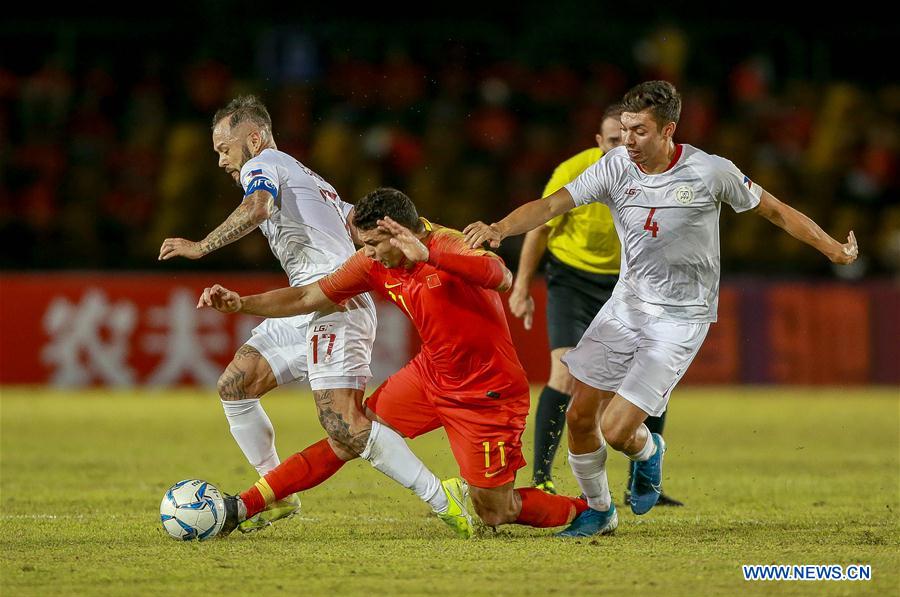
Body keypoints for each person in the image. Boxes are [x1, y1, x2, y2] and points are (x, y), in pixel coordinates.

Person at [463, 80, 858, 536]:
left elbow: (776, 211)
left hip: (679, 319)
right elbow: (553, 204)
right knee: (578, 415)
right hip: (625, 307)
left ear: (669, 130)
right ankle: (600, 511)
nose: (628, 140)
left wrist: (832, 249)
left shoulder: (710, 171)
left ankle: (649, 451)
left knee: (616, 431)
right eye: (625, 129)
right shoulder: (614, 166)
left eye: (640, 132)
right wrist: (500, 228)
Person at [198, 188, 597, 537]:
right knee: (347, 433)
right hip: (429, 378)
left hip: (487, 393)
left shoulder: (449, 244)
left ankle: (591, 510)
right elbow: (307, 298)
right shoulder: (373, 263)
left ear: (395, 231)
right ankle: (248, 504)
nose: (365, 252)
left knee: (495, 511)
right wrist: (242, 304)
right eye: (362, 244)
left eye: (372, 242)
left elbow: (500, 275)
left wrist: (431, 257)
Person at [159, 96, 472, 537]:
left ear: (253, 138)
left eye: (224, 149)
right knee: (236, 383)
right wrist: (441, 237)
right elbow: (364, 224)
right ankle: (278, 492)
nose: (221, 161)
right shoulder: (307, 177)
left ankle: (443, 497)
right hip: (306, 301)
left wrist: (200, 246)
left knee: (344, 425)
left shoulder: (262, 165)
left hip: (333, 301)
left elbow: (259, 207)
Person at [510, 104, 683, 505]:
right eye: (612, 140)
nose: (622, 146)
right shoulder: (578, 171)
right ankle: (541, 479)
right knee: (565, 374)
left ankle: (642, 481)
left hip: (629, 283)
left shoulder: (655, 174)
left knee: (652, 380)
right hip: (572, 279)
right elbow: (540, 225)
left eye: (630, 136)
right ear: (597, 142)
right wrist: (521, 286)